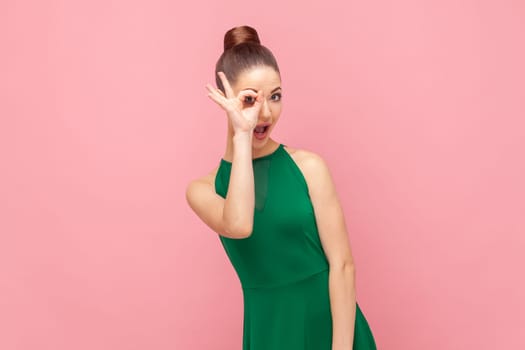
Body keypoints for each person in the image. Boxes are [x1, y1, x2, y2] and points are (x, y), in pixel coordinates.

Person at [186, 25, 377, 350]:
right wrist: (242, 135)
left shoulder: (309, 167)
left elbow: (342, 265)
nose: (265, 112)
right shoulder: (204, 190)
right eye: (250, 99)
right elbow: (239, 224)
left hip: (335, 330)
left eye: (275, 96)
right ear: (225, 99)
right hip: (271, 332)